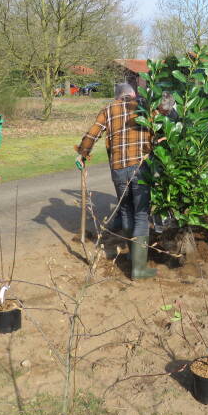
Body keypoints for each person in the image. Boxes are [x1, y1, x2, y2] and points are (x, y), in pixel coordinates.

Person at [75, 82, 157, 279]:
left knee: (126, 211)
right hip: (140, 167)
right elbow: (159, 130)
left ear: (117, 97)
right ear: (132, 94)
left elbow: (93, 133)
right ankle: (139, 269)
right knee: (141, 214)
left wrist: (82, 154)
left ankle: (132, 256)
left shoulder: (108, 110)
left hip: (118, 169)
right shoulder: (144, 107)